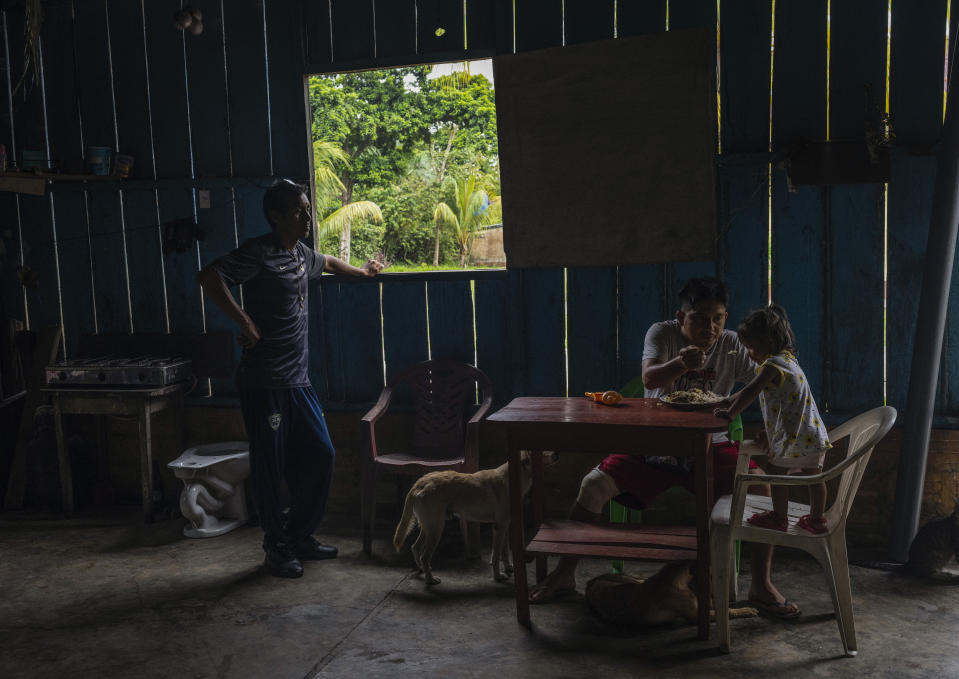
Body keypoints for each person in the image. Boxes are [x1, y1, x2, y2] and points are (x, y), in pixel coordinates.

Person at [528, 277, 802, 619]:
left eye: (718, 318)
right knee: (592, 485)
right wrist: (681, 363)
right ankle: (564, 573)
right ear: (680, 316)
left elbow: (773, 380)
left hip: (711, 446)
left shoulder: (732, 344)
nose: (711, 327)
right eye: (701, 318)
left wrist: (769, 429)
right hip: (654, 447)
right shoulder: (661, 334)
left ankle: (760, 585)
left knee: (759, 487)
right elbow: (649, 379)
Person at [197, 179, 382, 578]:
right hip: (264, 383)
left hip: (298, 380)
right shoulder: (258, 253)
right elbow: (211, 277)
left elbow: (329, 261)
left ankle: (300, 535)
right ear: (277, 216)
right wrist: (244, 321)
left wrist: (362, 272)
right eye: (299, 211)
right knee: (271, 465)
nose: (307, 217)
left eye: (307, 209)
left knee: (321, 455)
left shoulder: (301, 254)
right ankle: (276, 546)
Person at [714, 305, 831, 534]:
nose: (748, 353)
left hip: (795, 436)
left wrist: (731, 412)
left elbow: (751, 391)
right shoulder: (788, 359)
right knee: (815, 477)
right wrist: (728, 400)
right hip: (813, 433)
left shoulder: (771, 365)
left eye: (750, 347)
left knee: (776, 472)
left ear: (766, 340)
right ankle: (817, 519)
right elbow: (751, 389)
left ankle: (779, 517)